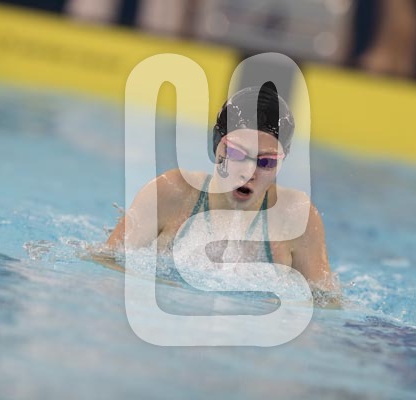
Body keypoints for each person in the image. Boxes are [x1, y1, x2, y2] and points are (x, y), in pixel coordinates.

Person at [103, 82, 339, 303]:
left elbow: (326, 305)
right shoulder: (171, 193)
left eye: (266, 162)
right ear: (216, 145)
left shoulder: (296, 218)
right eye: (236, 153)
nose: (248, 172)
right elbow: (108, 263)